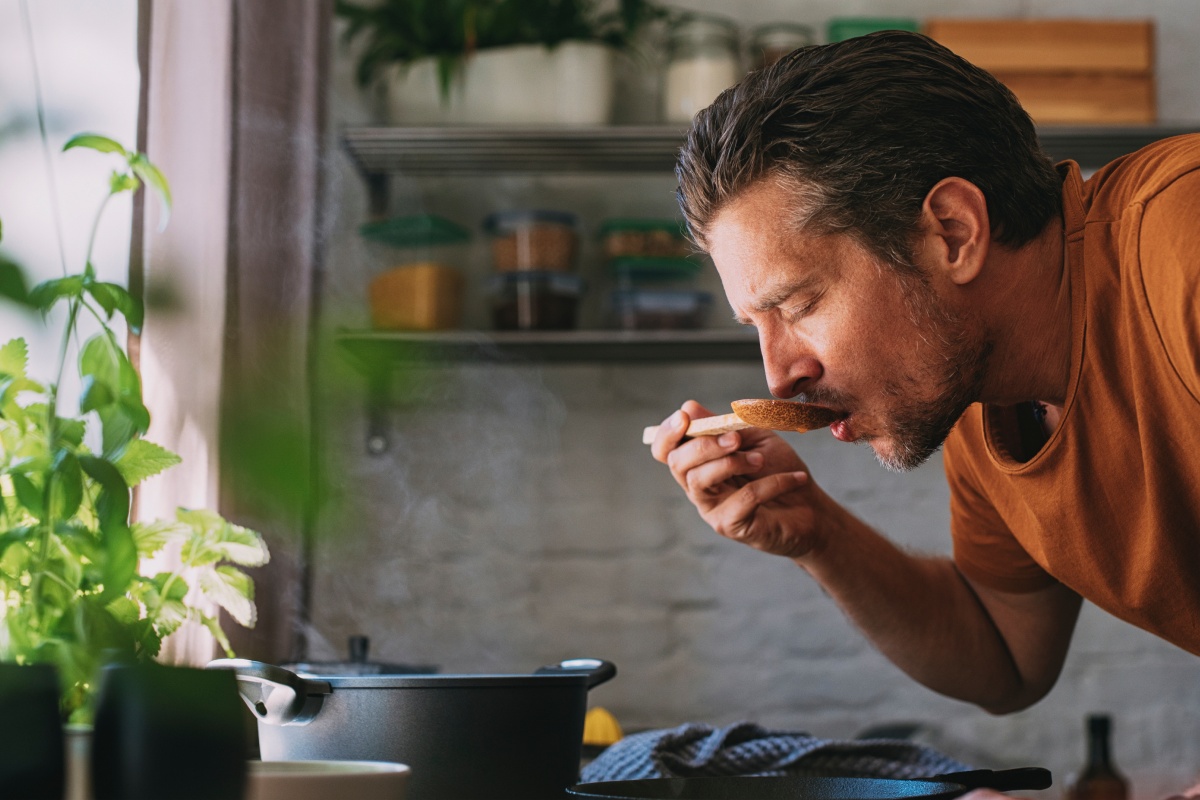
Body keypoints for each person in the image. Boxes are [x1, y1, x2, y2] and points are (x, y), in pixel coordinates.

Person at [651, 29, 1199, 734]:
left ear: (952, 232)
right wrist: (818, 532)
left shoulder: (1179, 246)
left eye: (798, 305)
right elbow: (1005, 657)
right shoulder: (982, 390)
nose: (779, 377)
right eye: (755, 325)